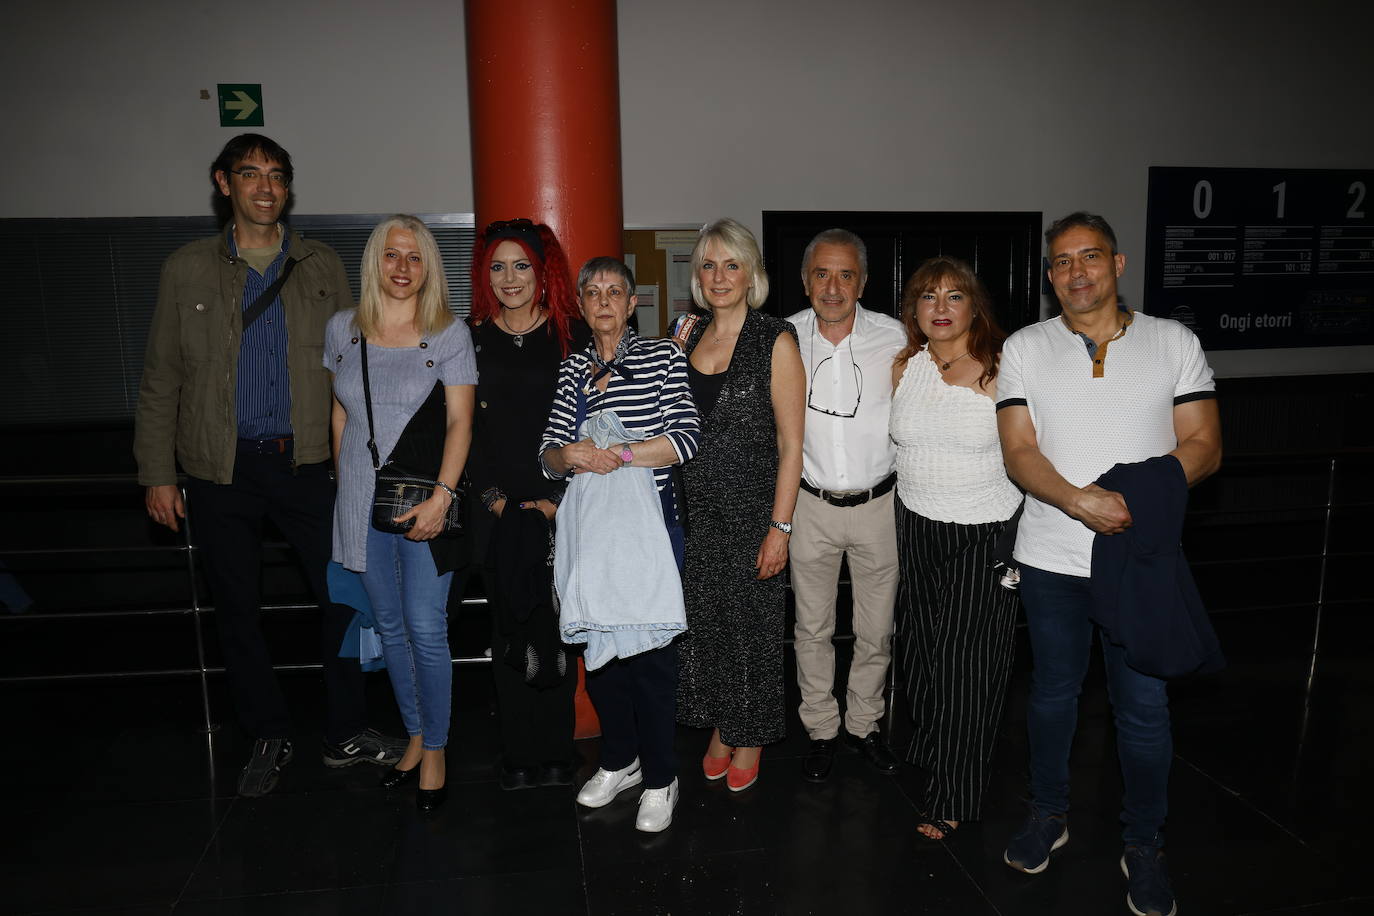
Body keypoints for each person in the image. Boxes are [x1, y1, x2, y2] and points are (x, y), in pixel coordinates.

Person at [134, 134, 400, 798]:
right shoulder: (186, 269)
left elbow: (354, 369)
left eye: (276, 176)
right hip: (218, 471)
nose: (264, 187)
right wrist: (155, 473)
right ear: (223, 183)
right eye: (249, 175)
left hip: (309, 466)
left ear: (287, 188)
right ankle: (267, 732)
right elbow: (160, 378)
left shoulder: (322, 265)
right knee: (237, 610)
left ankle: (346, 732)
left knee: (346, 597)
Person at [997, 212, 1221, 916]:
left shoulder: (1172, 342)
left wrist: (1131, 498)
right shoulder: (1026, 347)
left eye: (1089, 256)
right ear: (1049, 276)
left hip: (1140, 558)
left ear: (1118, 264)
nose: (1076, 272)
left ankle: (1145, 845)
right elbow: (1019, 450)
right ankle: (1048, 814)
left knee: (1145, 711)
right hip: (1050, 557)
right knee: (1053, 697)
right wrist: (1077, 501)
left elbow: (1204, 444)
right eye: (1061, 262)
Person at [539, 257, 701, 832]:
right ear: (581, 306)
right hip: (592, 535)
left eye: (615, 291)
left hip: (652, 530)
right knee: (602, 655)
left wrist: (621, 454)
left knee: (652, 658)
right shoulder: (571, 372)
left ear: (632, 304)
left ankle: (661, 777)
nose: (604, 300)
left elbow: (685, 439)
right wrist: (570, 456)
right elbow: (548, 455)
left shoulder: (662, 358)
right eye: (593, 292)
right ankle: (619, 760)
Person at [325, 215, 477, 812]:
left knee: (426, 626)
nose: (403, 268)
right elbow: (339, 418)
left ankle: (436, 746)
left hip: (426, 501)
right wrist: (345, 493)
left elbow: (462, 421)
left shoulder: (447, 334)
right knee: (387, 628)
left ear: (428, 267)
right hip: (359, 501)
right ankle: (413, 735)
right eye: (392, 256)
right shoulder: (343, 329)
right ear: (375, 262)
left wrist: (444, 494)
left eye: (414, 258)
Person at [889, 256, 1022, 841]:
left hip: (983, 532)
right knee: (919, 659)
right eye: (927, 297)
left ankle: (953, 794)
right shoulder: (907, 366)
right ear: (914, 309)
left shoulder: (1003, 368)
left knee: (967, 668)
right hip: (915, 524)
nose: (940, 309)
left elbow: (1031, 452)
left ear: (975, 306)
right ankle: (936, 746)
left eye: (953, 297)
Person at [673, 218, 805, 792]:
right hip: (692, 511)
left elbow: (792, 444)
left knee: (752, 627)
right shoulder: (684, 330)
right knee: (707, 625)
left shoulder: (775, 337)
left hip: (754, 511)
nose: (719, 276)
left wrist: (780, 527)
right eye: (708, 264)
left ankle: (748, 734)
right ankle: (724, 724)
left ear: (752, 274)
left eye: (731, 264)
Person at [466, 218, 587, 790]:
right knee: (507, 632)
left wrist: (555, 501)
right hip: (497, 512)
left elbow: (595, 427)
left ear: (543, 273)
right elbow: (461, 432)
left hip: (564, 510)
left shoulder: (574, 337)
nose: (508, 278)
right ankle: (518, 753)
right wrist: (495, 501)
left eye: (521, 266)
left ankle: (558, 752)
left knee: (561, 631)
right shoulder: (470, 340)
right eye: (497, 266)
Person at [786, 228, 906, 782]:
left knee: (875, 630)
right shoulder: (783, 337)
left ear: (863, 281)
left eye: (846, 275)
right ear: (805, 279)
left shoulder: (898, 338)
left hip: (881, 504)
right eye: (822, 274)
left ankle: (864, 725)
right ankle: (820, 730)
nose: (833, 287)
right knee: (811, 628)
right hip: (808, 504)